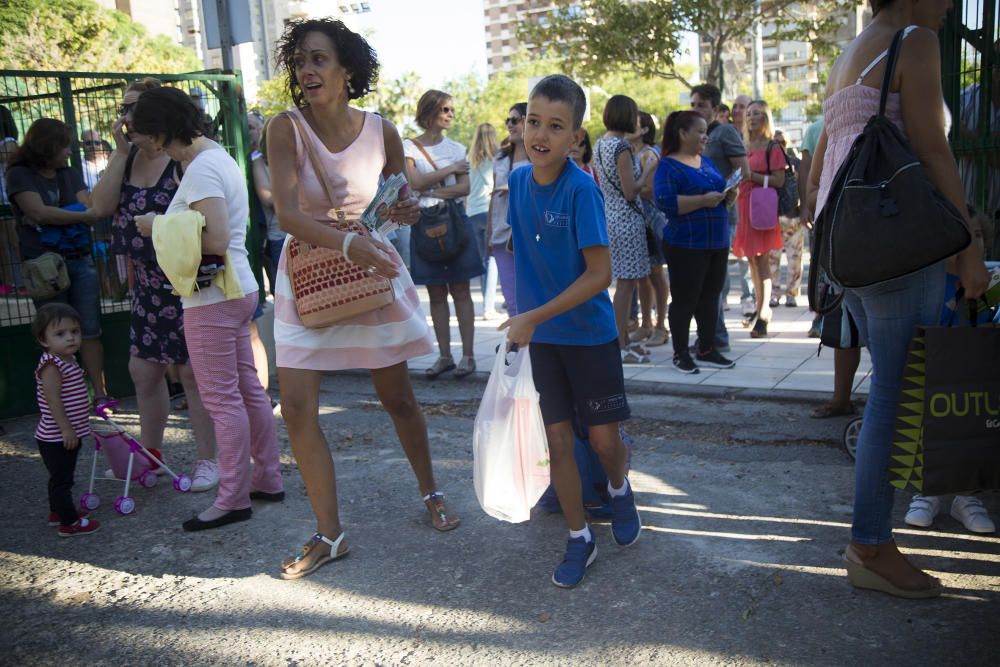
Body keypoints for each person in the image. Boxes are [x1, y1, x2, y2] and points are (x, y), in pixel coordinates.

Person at [806, 0, 989, 599]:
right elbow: (934, 150)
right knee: (893, 395)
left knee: (885, 390)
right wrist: (968, 240)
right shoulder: (914, 40)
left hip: (852, 246)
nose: (947, 7)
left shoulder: (852, 50)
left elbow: (818, 167)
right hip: (898, 246)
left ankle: (871, 541)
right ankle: (870, 546)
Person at [267, 18, 459, 579]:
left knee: (397, 397)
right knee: (298, 407)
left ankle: (432, 492)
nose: (307, 70)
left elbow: (399, 199)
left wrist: (405, 211)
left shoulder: (383, 130)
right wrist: (350, 241)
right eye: (301, 60)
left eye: (319, 59)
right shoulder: (284, 128)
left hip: (368, 273)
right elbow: (286, 215)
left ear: (347, 70)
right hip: (309, 273)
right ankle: (331, 534)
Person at [501, 74, 640, 588]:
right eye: (533, 121)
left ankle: (620, 486)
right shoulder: (516, 181)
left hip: (589, 336)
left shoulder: (582, 189)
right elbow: (523, 249)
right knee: (557, 440)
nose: (540, 134)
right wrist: (523, 314)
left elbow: (601, 274)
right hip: (544, 341)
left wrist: (534, 315)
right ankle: (580, 536)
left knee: (603, 441)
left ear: (575, 137)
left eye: (555, 126)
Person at [130, 85, 284, 532]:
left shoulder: (200, 169)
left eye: (140, 133)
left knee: (222, 400)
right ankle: (266, 478)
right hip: (236, 289)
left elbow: (213, 239)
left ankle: (233, 497)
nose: (137, 141)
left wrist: (155, 224)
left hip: (213, 297)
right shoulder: (216, 159)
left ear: (161, 132)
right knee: (248, 391)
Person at [89, 78, 219, 493]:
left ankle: (209, 460)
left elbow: (206, 222)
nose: (125, 118)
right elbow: (101, 207)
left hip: (187, 282)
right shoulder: (126, 159)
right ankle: (149, 456)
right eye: (123, 109)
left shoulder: (183, 157)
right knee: (143, 372)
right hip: (146, 284)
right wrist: (120, 153)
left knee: (192, 374)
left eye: (133, 109)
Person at [6, 118, 109, 401]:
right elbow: (40, 213)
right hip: (44, 265)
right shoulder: (19, 174)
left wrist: (57, 214)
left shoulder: (70, 172)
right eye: (64, 145)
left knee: (88, 330)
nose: (68, 151)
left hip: (79, 259)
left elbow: (89, 207)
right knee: (55, 332)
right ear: (47, 145)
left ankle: (100, 394)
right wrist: (77, 215)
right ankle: (65, 397)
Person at [404, 90, 481, 378]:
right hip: (423, 223)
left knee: (461, 290)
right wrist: (448, 171)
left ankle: (469, 356)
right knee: (436, 292)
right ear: (430, 112)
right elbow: (414, 181)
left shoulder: (458, 147)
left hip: (454, 221)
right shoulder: (408, 147)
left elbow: (464, 189)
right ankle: (445, 356)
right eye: (445, 109)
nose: (450, 114)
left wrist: (430, 190)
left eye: (451, 109)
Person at [654, 110, 737, 374]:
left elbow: (718, 193)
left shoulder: (706, 162)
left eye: (706, 132)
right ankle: (680, 353)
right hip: (686, 245)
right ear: (683, 133)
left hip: (717, 241)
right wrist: (703, 200)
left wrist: (728, 195)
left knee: (711, 298)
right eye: (701, 132)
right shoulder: (668, 165)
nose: (706, 137)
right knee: (684, 300)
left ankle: (706, 348)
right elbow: (665, 203)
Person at [690, 83, 750, 354]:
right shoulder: (693, 133)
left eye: (701, 105)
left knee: (712, 280)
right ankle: (709, 335)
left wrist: (725, 193)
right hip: (697, 215)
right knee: (701, 281)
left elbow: (743, 170)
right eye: (693, 105)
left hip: (721, 216)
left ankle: (716, 336)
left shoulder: (724, 132)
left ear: (715, 108)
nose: (695, 110)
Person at [594, 94, 654, 364]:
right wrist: (649, 170)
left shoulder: (599, 144)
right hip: (627, 219)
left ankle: (624, 341)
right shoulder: (623, 148)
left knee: (623, 284)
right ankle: (620, 343)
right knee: (626, 286)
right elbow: (631, 191)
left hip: (609, 216)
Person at [31, 303, 100, 536]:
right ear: (44, 340)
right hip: (56, 436)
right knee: (63, 482)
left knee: (59, 477)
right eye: (60, 334)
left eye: (75, 331)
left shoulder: (68, 359)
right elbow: (53, 401)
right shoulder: (52, 365)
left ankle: (56, 512)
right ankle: (69, 523)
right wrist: (67, 430)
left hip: (67, 434)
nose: (70, 338)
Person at [734, 100, 785, 338]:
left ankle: (764, 313)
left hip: (762, 206)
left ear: (765, 118)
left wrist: (752, 176)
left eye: (757, 113)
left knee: (762, 261)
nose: (751, 117)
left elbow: (779, 180)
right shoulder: (743, 145)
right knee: (752, 261)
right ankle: (759, 308)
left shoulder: (771, 147)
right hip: (744, 205)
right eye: (749, 113)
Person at [630, 110, 669, 348]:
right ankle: (646, 323)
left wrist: (628, 189)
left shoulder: (648, 154)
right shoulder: (633, 153)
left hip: (651, 221)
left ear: (644, 129)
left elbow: (651, 190)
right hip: (639, 220)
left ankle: (660, 325)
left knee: (655, 274)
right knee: (641, 276)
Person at [487, 102, 529, 319]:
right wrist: (489, 233)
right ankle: (517, 349)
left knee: (531, 297)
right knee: (511, 300)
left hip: (530, 237)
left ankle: (534, 348)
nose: (510, 125)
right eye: (508, 121)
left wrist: (514, 187)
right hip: (502, 236)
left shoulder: (540, 157)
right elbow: (494, 198)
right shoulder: (500, 158)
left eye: (515, 120)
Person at [248, 112, 284, 295]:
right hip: (279, 235)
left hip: (306, 232)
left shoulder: (299, 160)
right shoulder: (259, 162)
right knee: (284, 293)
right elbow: (268, 199)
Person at [768, 130, 804, 308]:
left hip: (793, 216)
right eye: (775, 142)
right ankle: (774, 293)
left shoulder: (796, 163)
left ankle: (792, 294)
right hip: (773, 217)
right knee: (772, 258)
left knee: (795, 258)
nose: (779, 145)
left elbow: (803, 187)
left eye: (782, 142)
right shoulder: (769, 164)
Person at [467, 123, 499, 318]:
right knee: (492, 259)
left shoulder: (469, 160)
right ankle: (489, 307)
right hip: (489, 212)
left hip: (472, 212)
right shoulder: (496, 159)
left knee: (481, 261)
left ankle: (486, 305)